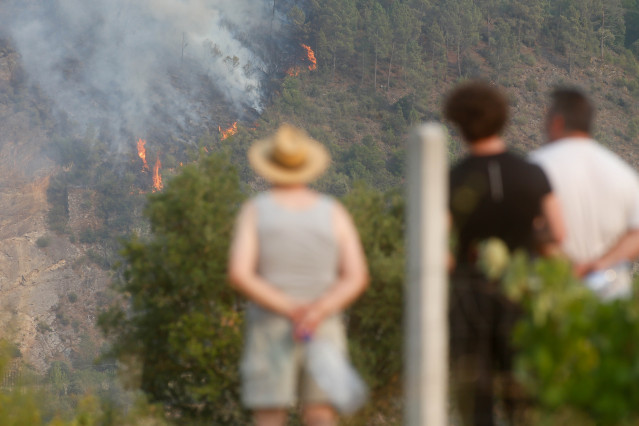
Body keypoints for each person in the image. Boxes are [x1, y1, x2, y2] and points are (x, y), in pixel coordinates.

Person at [228, 124, 369, 426]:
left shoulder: (255, 211)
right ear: (308, 168)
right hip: (323, 327)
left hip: (270, 326)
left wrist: (289, 308)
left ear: (269, 168)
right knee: (319, 413)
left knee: (269, 414)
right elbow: (356, 276)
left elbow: (240, 273)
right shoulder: (334, 213)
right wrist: (317, 311)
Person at [445, 81, 564, 426]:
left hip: (469, 297)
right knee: (524, 397)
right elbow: (558, 230)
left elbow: (438, 247)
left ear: (459, 124)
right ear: (503, 120)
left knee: (475, 400)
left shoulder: (454, 178)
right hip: (521, 291)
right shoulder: (531, 174)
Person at [530, 87, 639, 300]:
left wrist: (567, 266)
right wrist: (601, 264)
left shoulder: (535, 166)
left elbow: (525, 226)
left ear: (557, 122)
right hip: (611, 303)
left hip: (551, 298)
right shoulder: (624, 173)